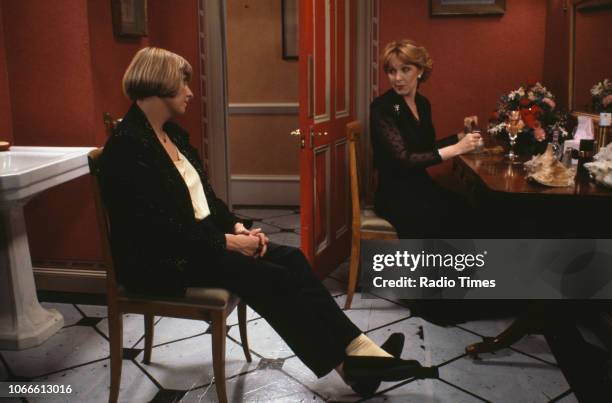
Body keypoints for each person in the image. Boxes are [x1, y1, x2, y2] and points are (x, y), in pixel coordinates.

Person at [98, 47, 437, 398]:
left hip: (199, 242)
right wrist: (230, 243)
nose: (190, 91)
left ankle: (362, 351)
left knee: (291, 258)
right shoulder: (128, 148)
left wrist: (237, 227)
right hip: (162, 261)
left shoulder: (173, 135)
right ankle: (351, 367)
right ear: (161, 84)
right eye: (184, 83)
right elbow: (160, 231)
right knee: (271, 277)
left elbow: (208, 200)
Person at [370, 39, 482, 238]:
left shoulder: (422, 104)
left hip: (421, 186)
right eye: (391, 71)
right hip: (396, 194)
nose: (397, 78)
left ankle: (457, 267)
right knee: (440, 220)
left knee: (467, 208)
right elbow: (404, 159)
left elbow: (426, 147)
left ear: (420, 71)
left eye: (405, 69)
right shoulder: (384, 107)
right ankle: (430, 268)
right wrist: (457, 149)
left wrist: (460, 137)